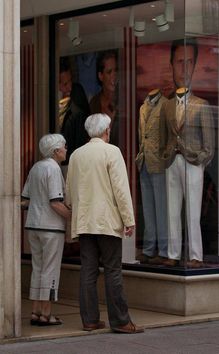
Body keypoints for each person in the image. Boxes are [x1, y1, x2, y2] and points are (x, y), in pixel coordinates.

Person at [66, 113, 144, 334]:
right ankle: (120, 321)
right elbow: (121, 188)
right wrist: (129, 219)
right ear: (105, 131)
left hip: (84, 221)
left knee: (88, 271)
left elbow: (69, 193)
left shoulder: (76, 155)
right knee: (113, 270)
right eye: (109, 129)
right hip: (107, 221)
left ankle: (89, 320)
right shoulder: (112, 152)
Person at [160, 39, 215, 269]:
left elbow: (209, 144)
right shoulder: (167, 105)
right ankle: (173, 254)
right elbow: (163, 137)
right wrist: (165, 156)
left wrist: (199, 161)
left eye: (189, 62)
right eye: (180, 62)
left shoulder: (201, 105)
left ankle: (195, 255)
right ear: (172, 65)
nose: (184, 68)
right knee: (172, 210)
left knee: (192, 212)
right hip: (172, 162)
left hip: (193, 163)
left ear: (194, 67)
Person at [21, 134, 71, 326]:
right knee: (50, 270)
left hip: (33, 225)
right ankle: (46, 314)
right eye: (64, 146)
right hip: (51, 227)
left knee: (38, 268)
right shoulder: (53, 169)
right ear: (56, 150)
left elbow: (25, 199)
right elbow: (55, 202)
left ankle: (35, 311)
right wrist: (73, 217)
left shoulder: (36, 167)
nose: (66, 149)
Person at [135, 89, 168, 265]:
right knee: (148, 209)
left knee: (161, 209)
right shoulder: (142, 107)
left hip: (159, 162)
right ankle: (148, 249)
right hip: (144, 161)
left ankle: (163, 250)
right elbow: (142, 136)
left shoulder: (165, 105)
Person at [59, 59, 90, 167]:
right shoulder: (47, 108)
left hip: (70, 165)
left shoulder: (77, 111)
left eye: (70, 81)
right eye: (65, 84)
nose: (70, 87)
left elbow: (80, 145)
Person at [89, 50, 119, 146]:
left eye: (116, 70)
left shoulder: (126, 100)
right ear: (101, 76)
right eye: (109, 72)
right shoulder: (94, 103)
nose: (114, 76)